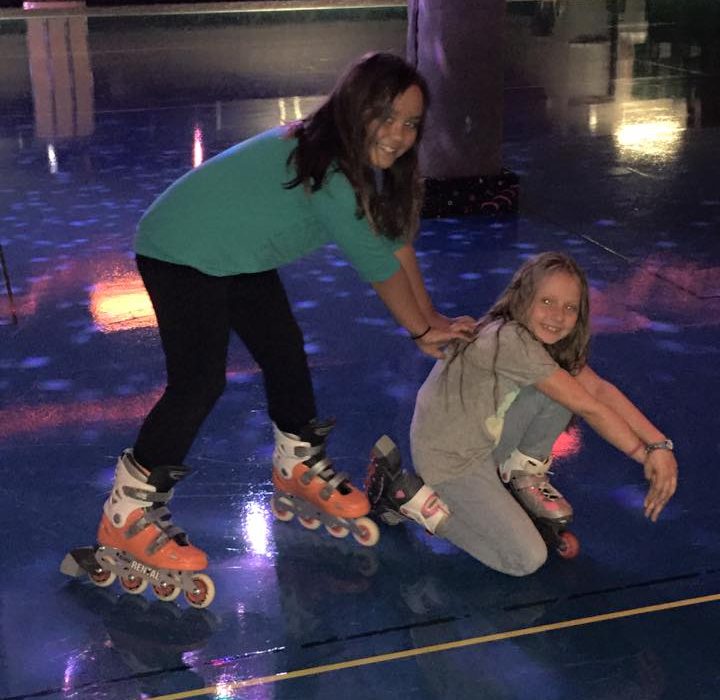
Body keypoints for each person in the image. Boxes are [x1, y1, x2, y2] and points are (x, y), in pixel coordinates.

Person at [75, 51, 476, 599]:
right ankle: (126, 512)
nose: (399, 134)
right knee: (199, 381)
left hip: (234, 251)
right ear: (356, 109)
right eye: (386, 117)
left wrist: (433, 319)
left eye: (410, 123)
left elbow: (393, 244)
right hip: (179, 248)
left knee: (285, 349)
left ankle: (297, 465)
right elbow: (379, 270)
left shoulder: (352, 162)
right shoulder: (331, 170)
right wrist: (420, 331)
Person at [367, 252, 678, 577]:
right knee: (526, 559)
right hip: (450, 461)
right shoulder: (510, 341)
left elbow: (599, 390)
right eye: (547, 301)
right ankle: (411, 500)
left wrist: (659, 445)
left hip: (477, 437)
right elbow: (590, 406)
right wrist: (645, 456)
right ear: (523, 297)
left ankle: (520, 472)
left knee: (564, 388)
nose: (558, 316)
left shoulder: (532, 336)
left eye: (570, 307)